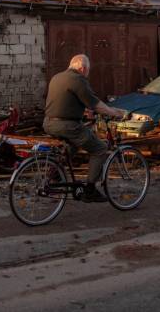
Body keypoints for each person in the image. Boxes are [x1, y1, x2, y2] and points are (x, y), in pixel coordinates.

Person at [43, 54, 126, 203]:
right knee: (100, 149)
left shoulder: (57, 77)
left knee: (73, 146)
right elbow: (97, 104)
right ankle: (90, 190)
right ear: (82, 68)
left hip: (49, 123)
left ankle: (54, 174)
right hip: (67, 125)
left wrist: (84, 111)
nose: (88, 73)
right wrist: (115, 112)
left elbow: (67, 100)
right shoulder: (78, 80)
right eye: (88, 70)